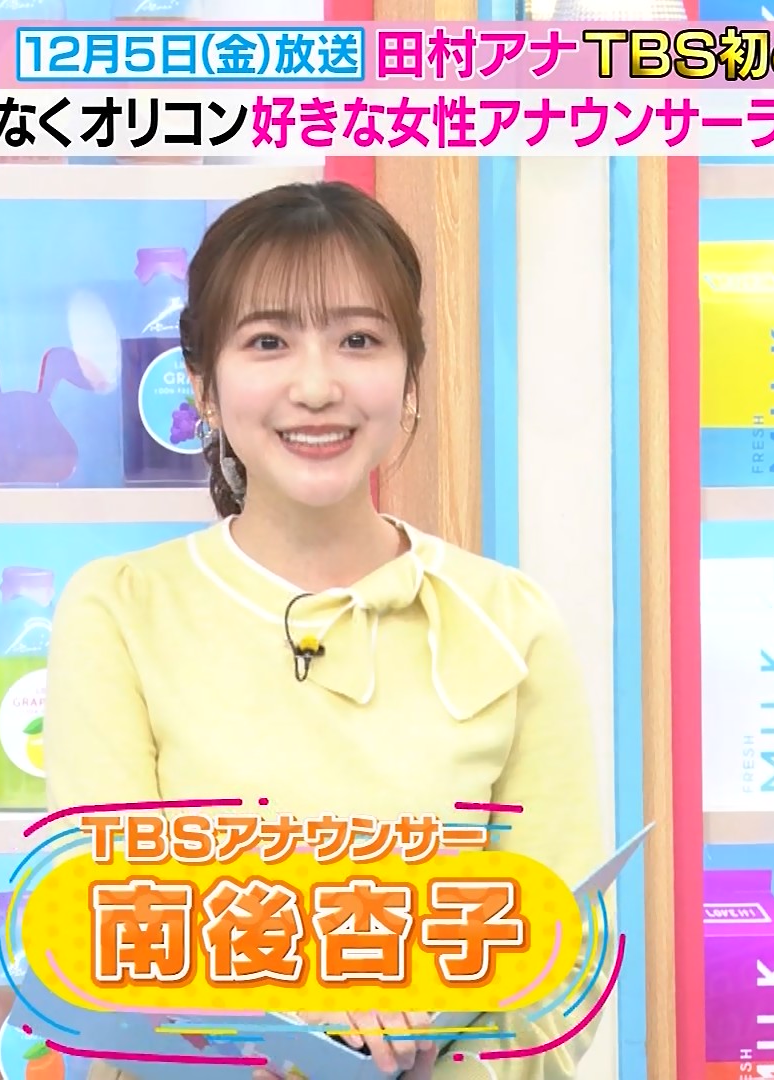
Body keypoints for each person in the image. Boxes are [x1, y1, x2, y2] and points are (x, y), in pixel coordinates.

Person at [46, 181, 607, 1080]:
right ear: (204, 385)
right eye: (268, 342)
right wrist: (292, 1015)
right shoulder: (117, 610)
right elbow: (93, 938)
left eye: (359, 340)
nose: (317, 386)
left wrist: (426, 1033)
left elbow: (566, 968)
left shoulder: (511, 621)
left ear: (410, 375)